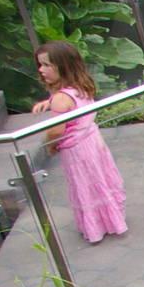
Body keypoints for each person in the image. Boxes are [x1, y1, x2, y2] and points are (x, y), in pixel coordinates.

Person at [29, 41, 127, 244]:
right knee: (100, 180)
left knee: (84, 186)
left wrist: (50, 145)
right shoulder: (81, 86)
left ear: (63, 66)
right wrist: (48, 103)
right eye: (40, 65)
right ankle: (112, 220)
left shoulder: (60, 99)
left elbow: (56, 130)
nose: (41, 70)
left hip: (77, 150)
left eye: (47, 65)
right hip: (92, 141)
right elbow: (70, 104)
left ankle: (95, 228)